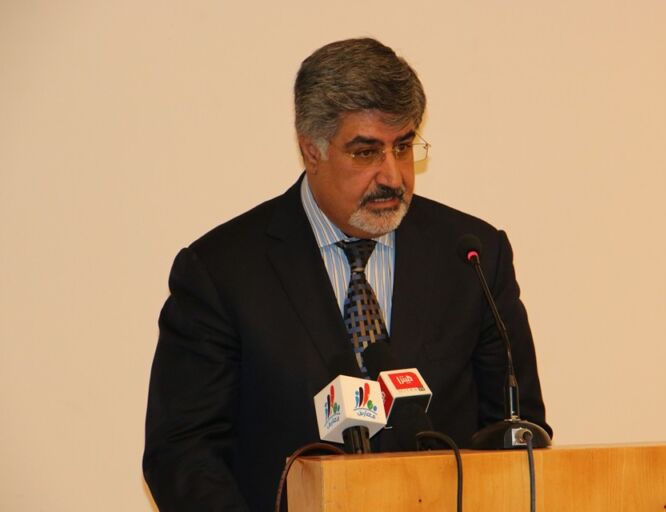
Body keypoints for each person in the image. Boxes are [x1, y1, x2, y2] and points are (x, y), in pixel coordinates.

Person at [143, 37, 551, 511]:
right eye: (365, 152)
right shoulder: (222, 272)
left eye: (403, 146)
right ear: (311, 150)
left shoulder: (473, 257)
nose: (393, 176)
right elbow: (183, 455)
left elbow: (516, 433)